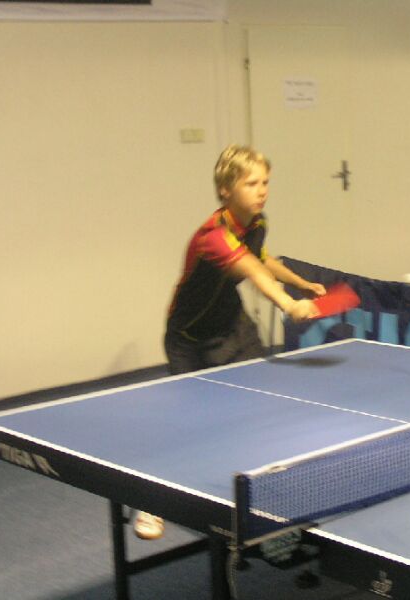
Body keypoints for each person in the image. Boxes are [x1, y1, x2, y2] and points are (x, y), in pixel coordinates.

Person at [134, 144, 326, 540]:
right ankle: (151, 500)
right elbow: (251, 270)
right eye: (251, 183)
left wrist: (300, 282)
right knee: (189, 424)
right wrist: (290, 304)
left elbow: (263, 258)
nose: (262, 191)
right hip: (190, 339)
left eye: (265, 182)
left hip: (233, 326)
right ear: (225, 189)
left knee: (259, 405)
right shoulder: (213, 236)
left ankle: (262, 497)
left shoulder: (256, 223)